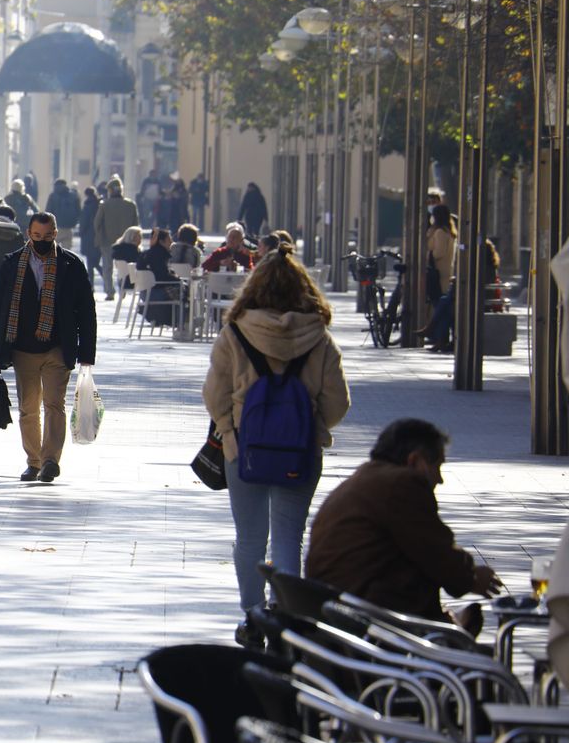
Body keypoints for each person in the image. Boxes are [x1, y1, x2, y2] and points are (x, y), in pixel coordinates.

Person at [201, 246, 350, 649]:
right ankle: (286, 616)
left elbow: (214, 394)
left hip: (244, 449)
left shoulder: (236, 333)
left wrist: (229, 433)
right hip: (300, 453)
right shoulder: (319, 338)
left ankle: (253, 616)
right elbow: (338, 401)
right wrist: (313, 429)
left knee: (249, 538)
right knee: (288, 537)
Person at [305, 419, 501, 637]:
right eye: (437, 466)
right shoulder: (401, 484)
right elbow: (436, 552)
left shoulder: (366, 477)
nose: (440, 479)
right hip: (366, 616)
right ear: (415, 461)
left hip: (340, 607)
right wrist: (471, 577)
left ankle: (450, 623)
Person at [0, 212, 97, 484]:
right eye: (36, 236)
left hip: (58, 346)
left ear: (55, 234)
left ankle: (50, 461)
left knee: (54, 404)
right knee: (28, 408)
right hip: (22, 348)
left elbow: (86, 310)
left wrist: (86, 354)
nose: (42, 241)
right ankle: (33, 461)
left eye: (47, 236)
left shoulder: (71, 264)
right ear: (28, 234)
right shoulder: (12, 264)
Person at [93, 178, 139, 300]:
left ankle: (110, 292)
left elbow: (97, 223)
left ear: (110, 191)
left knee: (107, 268)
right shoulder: (130, 205)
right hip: (126, 242)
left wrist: (99, 237)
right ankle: (122, 289)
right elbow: (135, 225)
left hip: (107, 241)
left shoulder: (104, 205)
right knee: (123, 267)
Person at [426, 202, 458, 310]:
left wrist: (427, 255)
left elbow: (439, 252)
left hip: (438, 273)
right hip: (445, 271)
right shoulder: (447, 231)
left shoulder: (440, 232)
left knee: (438, 303)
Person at [79, 186, 102, 290]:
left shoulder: (87, 206)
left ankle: (91, 285)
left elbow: (84, 222)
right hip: (99, 236)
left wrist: (81, 232)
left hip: (88, 237)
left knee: (90, 263)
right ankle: (99, 280)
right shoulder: (100, 205)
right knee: (95, 262)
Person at [44, 179, 80, 247]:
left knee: (52, 249)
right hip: (69, 227)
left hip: (56, 227)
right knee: (66, 250)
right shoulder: (73, 195)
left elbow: (48, 211)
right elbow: (78, 211)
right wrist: (75, 222)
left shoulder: (52, 195)